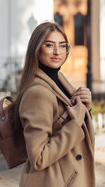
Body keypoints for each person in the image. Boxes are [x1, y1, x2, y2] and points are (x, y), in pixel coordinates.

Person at [13, 21, 95, 187]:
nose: (57, 51)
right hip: (55, 181)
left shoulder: (59, 80)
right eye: (49, 45)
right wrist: (76, 123)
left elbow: (68, 121)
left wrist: (85, 108)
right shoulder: (37, 93)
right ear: (37, 49)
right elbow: (38, 157)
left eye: (62, 45)